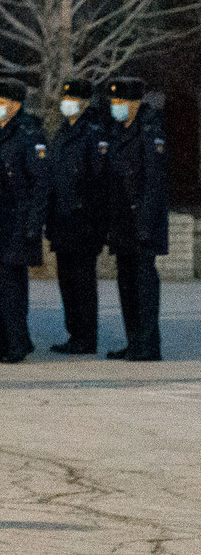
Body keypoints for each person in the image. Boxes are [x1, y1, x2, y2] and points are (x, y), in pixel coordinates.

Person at [0, 79, 48, 362]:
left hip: (17, 222)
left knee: (11, 288)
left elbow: (40, 184)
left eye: (1, 102)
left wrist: (33, 223)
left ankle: (15, 344)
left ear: (15, 104)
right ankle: (12, 339)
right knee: (0, 285)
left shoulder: (28, 134)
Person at [100, 77, 166, 362]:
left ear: (136, 102)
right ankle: (134, 341)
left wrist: (145, 223)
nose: (116, 107)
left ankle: (148, 345)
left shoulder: (150, 131)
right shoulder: (117, 131)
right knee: (126, 287)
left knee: (143, 288)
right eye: (113, 102)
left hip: (142, 224)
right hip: (122, 224)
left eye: (121, 102)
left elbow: (154, 182)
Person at [43, 78, 106, 355]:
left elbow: (99, 182)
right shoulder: (63, 132)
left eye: (72, 98)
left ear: (84, 102)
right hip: (62, 221)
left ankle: (86, 336)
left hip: (83, 223)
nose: (66, 102)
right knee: (67, 282)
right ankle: (75, 333)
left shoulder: (92, 133)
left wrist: (94, 222)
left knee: (82, 283)